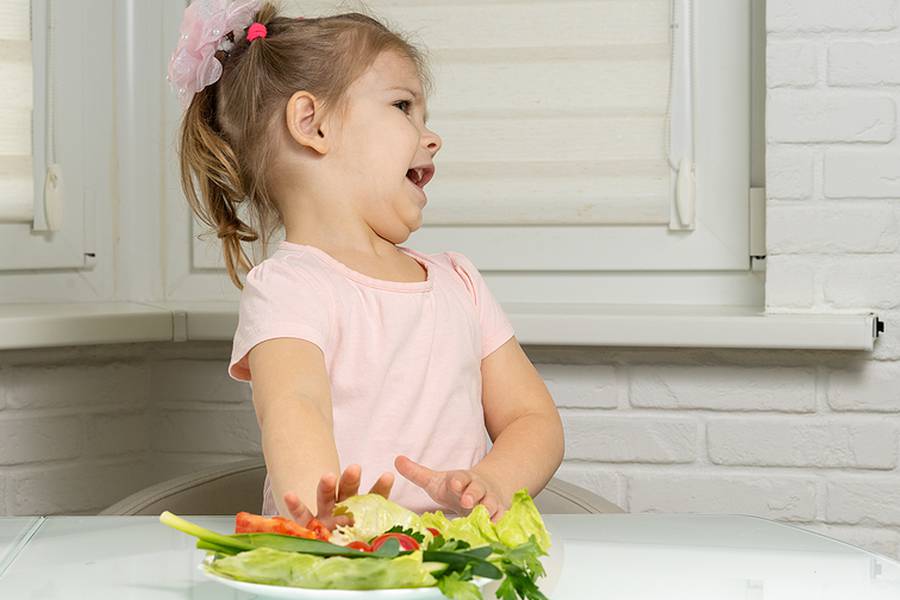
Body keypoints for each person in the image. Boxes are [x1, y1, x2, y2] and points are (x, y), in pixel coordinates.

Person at [168, 0, 564, 527]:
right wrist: (320, 517)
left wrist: (494, 479)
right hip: (342, 564)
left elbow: (532, 417)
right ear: (313, 124)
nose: (432, 136)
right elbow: (297, 409)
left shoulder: (458, 282)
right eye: (403, 106)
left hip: (455, 562)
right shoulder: (290, 288)